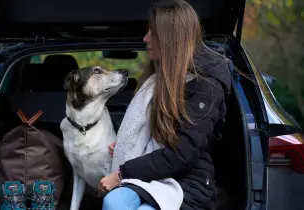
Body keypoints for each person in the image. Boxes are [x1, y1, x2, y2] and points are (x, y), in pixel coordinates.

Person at [99, 0, 232, 210]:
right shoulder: (158, 77)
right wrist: (129, 146)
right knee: (113, 202)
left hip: (188, 182)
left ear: (170, 38)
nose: (145, 39)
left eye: (152, 33)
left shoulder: (206, 85)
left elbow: (182, 154)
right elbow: (150, 133)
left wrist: (122, 173)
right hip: (151, 174)